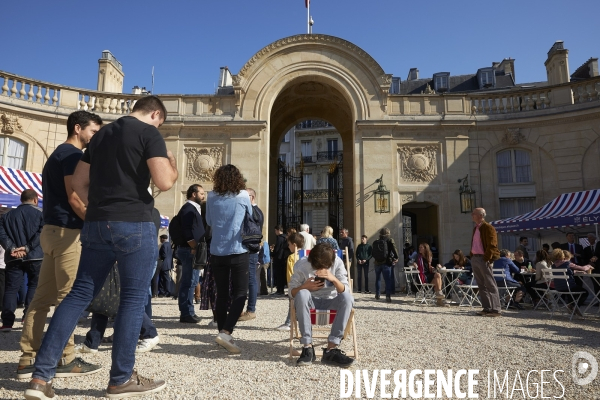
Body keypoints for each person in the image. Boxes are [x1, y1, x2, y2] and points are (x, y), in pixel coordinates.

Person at [24, 95, 178, 399]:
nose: (160, 125)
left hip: (96, 223)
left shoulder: (102, 134)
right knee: (133, 300)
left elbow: (79, 183)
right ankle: (120, 379)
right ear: (156, 114)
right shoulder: (149, 133)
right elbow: (164, 182)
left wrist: (101, 206)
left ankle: (40, 378)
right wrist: (171, 164)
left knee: (78, 294)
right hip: (134, 221)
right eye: (161, 121)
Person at [17, 110, 103, 379]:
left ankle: (28, 357)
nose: (95, 137)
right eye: (93, 132)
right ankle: (65, 358)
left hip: (52, 230)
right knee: (69, 298)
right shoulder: (73, 155)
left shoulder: (57, 153)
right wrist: (93, 223)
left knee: (42, 298)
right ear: (78, 128)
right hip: (68, 232)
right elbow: (75, 197)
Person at [205, 164, 253, 354]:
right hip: (238, 248)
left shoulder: (210, 196)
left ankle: (222, 333)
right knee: (240, 293)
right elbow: (249, 217)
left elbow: (209, 221)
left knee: (222, 294)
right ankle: (226, 332)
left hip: (217, 250)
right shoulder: (242, 195)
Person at [288, 243, 354, 367]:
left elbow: (346, 290)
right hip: (310, 303)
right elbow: (291, 294)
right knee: (302, 294)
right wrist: (304, 287)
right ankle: (307, 347)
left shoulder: (337, 262)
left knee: (347, 297)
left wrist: (333, 279)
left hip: (332, 302)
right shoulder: (302, 264)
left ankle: (331, 350)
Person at [0, 189, 44, 332]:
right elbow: (41, 233)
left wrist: (12, 248)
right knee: (33, 286)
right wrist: (27, 248)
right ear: (36, 200)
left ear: (21, 200)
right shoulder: (41, 214)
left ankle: (7, 323)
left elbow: (2, 234)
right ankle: (27, 317)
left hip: (13, 257)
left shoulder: (6, 216)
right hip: (35, 256)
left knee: (11, 289)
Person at [175, 184, 206, 323]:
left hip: (191, 249)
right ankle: (186, 313)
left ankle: (190, 311)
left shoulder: (193, 208)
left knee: (192, 281)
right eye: (201, 193)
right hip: (189, 249)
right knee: (188, 282)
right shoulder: (188, 209)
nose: (203, 195)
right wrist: (193, 245)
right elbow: (187, 230)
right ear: (193, 194)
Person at [469, 207, 501, 317]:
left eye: (474, 213)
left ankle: (496, 309)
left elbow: (492, 244)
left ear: (480, 215)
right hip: (475, 258)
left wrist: (486, 258)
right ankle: (487, 308)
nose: (472, 215)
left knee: (490, 284)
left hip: (483, 258)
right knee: (481, 285)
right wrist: (472, 256)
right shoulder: (476, 228)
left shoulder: (488, 228)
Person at [238, 188, 264, 322]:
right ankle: (244, 309)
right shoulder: (256, 211)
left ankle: (251, 309)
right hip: (250, 249)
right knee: (247, 279)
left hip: (250, 250)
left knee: (251, 280)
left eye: (245, 196)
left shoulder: (254, 211)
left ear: (252, 197)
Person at [276, 232, 305, 331]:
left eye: (289, 244)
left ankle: (288, 323)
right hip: (305, 285)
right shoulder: (306, 256)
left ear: (294, 245)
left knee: (292, 305)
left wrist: (289, 286)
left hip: (294, 286)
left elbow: (290, 273)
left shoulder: (291, 257)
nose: (288, 247)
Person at [372, 228, 399, 303]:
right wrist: (396, 257)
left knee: (378, 279)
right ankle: (388, 296)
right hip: (386, 263)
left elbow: (373, 253)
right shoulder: (390, 240)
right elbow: (394, 249)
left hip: (377, 263)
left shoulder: (376, 241)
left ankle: (377, 294)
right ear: (388, 233)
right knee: (388, 280)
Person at [271, 225, 287, 296]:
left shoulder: (280, 238)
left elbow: (277, 249)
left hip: (278, 258)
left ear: (278, 230)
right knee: (282, 275)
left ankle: (279, 290)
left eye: (275, 231)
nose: (275, 232)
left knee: (278, 275)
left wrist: (272, 253)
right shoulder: (285, 237)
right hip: (283, 258)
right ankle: (281, 289)